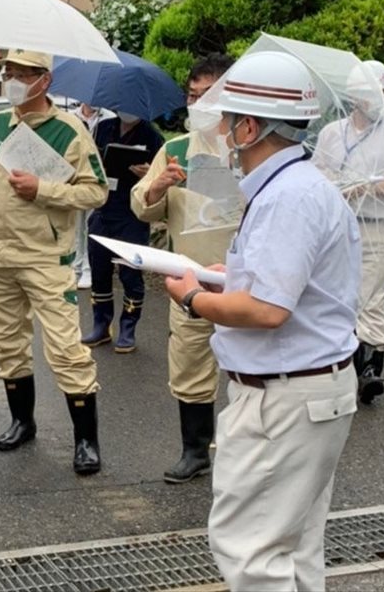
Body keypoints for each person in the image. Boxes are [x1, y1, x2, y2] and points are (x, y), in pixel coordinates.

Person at [164, 50, 360, 590]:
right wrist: (230, 278)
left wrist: (191, 297)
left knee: (249, 548)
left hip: (283, 399)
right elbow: (288, 285)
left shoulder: (287, 198)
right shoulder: (297, 185)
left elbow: (267, 310)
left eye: (227, 121)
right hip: (307, 390)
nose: (222, 132)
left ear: (249, 127)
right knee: (294, 545)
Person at [0, 49, 109, 475]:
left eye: (20, 73)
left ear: (43, 81)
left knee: (66, 349)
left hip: (46, 257)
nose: (10, 80)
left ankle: (86, 439)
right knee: (7, 342)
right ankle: (21, 421)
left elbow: (96, 192)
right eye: (8, 72)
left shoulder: (70, 130)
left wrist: (43, 189)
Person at [130, 54, 234, 484]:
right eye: (192, 95)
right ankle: (195, 450)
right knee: (190, 362)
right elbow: (141, 207)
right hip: (190, 278)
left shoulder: (251, 147)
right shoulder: (174, 150)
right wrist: (157, 186)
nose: (198, 104)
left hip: (244, 278)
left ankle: (249, 450)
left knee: (256, 366)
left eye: (207, 95)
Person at [313, 59, 384, 405]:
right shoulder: (333, 134)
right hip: (343, 226)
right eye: (378, 93)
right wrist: (340, 187)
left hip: (382, 227)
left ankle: (370, 369)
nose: (383, 100)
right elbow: (320, 174)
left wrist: (365, 187)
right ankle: (351, 366)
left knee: (372, 295)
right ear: (356, 97)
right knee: (342, 294)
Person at [83, 107, 164, 353]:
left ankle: (128, 327)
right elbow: (88, 163)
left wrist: (150, 172)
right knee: (99, 270)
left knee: (130, 272)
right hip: (103, 208)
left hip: (132, 214)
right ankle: (101, 324)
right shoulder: (103, 127)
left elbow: (161, 177)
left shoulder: (152, 136)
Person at [72, 102, 115, 290]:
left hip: (96, 180)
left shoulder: (109, 118)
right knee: (75, 227)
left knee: (91, 226)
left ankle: (88, 269)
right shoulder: (71, 117)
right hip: (73, 178)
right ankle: (75, 267)